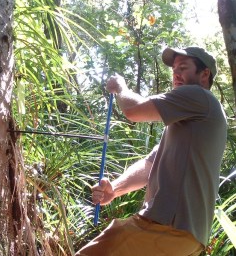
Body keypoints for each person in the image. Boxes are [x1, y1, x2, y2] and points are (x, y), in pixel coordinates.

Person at [76, 47, 227, 256]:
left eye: (183, 68)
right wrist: (115, 189)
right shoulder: (187, 125)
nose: (175, 73)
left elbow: (133, 110)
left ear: (204, 75)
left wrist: (121, 88)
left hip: (167, 226)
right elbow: (149, 167)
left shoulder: (199, 97)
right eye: (174, 69)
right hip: (185, 238)